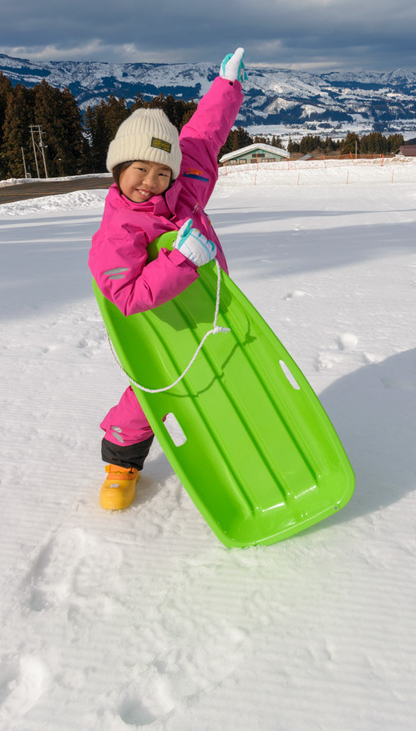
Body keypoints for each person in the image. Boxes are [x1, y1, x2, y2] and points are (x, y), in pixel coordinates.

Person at [89, 48, 245, 510]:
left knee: (227, 372)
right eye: (140, 169)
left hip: (214, 305)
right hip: (163, 326)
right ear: (119, 167)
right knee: (150, 391)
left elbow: (205, 131)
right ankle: (122, 462)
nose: (151, 182)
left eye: (162, 172)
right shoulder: (119, 230)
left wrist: (227, 86)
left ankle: (221, 442)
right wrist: (180, 261)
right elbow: (126, 295)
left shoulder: (186, 178)